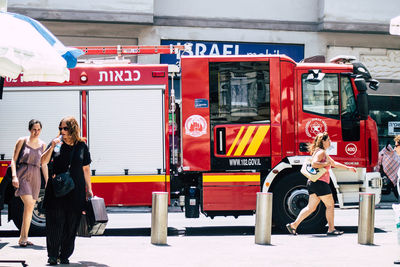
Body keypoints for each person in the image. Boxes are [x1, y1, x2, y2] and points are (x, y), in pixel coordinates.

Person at [41, 116, 93, 265]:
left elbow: (86, 168)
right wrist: (51, 146)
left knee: (71, 224)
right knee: (54, 224)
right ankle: (52, 255)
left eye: (65, 128)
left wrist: (89, 189)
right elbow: (42, 162)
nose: (62, 131)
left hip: (75, 191)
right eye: (60, 128)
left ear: (73, 128)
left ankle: (64, 255)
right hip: (56, 190)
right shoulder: (56, 143)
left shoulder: (81, 146)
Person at [286, 132, 356, 236]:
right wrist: (326, 163)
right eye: (328, 140)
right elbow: (314, 163)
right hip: (320, 183)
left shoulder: (319, 152)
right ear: (323, 141)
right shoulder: (321, 153)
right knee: (330, 205)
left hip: (313, 183)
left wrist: (348, 168)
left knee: (311, 208)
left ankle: (293, 225)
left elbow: (334, 163)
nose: (330, 142)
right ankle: (331, 229)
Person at [10, 119, 48, 247]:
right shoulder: (22, 141)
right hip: (23, 174)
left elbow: (44, 164)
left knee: (29, 208)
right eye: (34, 129)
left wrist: (48, 181)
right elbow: (13, 160)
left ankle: (23, 238)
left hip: (36, 176)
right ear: (29, 130)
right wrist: (14, 176)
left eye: (38, 130)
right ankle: (23, 237)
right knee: (30, 203)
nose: (36, 132)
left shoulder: (43, 144)